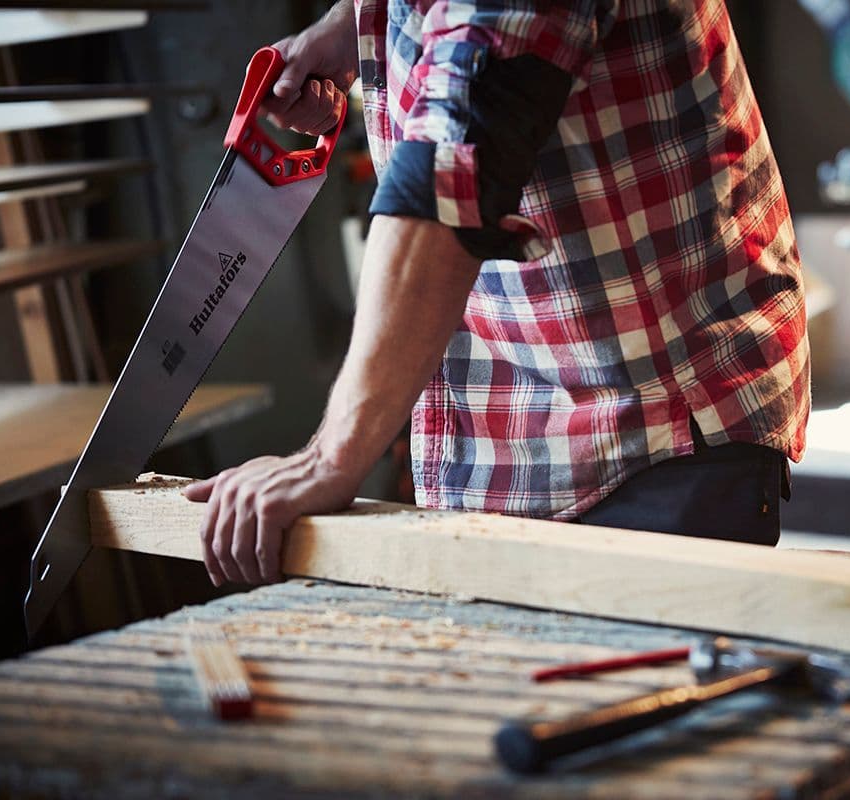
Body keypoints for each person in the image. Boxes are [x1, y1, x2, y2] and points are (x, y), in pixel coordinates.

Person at [184, 0, 811, 587]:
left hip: (651, 428)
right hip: (530, 425)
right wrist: (364, 17)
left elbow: (446, 187)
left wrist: (328, 460)